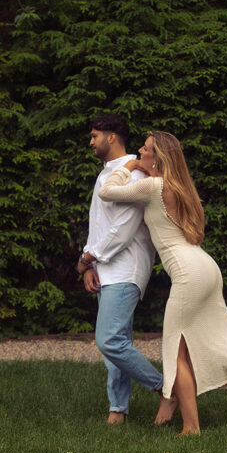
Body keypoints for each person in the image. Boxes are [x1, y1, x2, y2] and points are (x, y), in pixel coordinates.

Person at [92, 130, 227, 434]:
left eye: (145, 150)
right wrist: (138, 165)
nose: (139, 152)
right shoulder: (180, 187)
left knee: (176, 353)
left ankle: (191, 427)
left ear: (158, 157)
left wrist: (128, 167)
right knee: (226, 341)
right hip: (206, 268)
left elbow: (107, 191)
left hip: (189, 274)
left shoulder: (154, 186)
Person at [76, 114, 164, 425]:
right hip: (107, 268)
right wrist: (90, 263)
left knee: (109, 339)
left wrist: (89, 258)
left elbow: (124, 229)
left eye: (95, 135)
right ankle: (118, 409)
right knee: (118, 342)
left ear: (112, 137)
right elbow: (98, 226)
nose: (91, 142)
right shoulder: (106, 175)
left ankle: (166, 388)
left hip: (126, 269)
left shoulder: (135, 175)